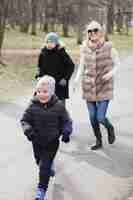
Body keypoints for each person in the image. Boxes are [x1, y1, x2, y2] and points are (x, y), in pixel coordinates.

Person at [20, 75, 73, 200]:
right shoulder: (32, 105)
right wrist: (28, 131)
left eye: (45, 92)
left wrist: (66, 132)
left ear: (52, 92)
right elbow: (24, 120)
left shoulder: (58, 106)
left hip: (52, 141)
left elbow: (67, 121)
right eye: (39, 91)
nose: (41, 94)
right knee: (39, 162)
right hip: (36, 140)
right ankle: (49, 167)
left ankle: (41, 191)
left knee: (44, 166)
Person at [74, 21, 120, 150]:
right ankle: (98, 140)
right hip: (88, 86)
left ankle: (110, 128)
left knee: (100, 117)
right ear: (87, 34)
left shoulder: (109, 47)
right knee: (92, 117)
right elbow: (82, 66)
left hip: (104, 85)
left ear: (100, 32)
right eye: (90, 31)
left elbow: (118, 64)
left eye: (95, 30)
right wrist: (77, 80)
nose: (92, 33)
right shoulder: (84, 48)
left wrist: (110, 74)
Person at [35, 32, 75, 106]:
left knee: (60, 108)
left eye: (51, 42)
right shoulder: (43, 53)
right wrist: (38, 76)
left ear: (56, 43)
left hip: (59, 85)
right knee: (43, 107)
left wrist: (65, 79)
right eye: (47, 42)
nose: (49, 44)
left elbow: (71, 66)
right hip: (45, 85)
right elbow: (39, 67)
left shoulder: (62, 53)